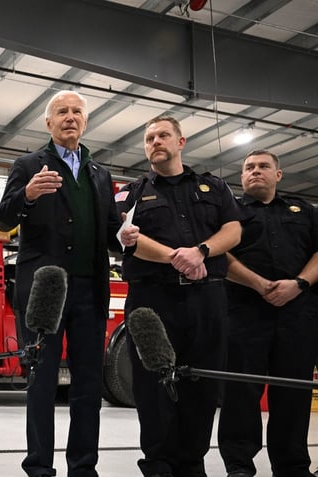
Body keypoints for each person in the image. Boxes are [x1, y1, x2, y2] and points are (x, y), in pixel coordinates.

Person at [0, 90, 131, 477]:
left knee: (89, 386)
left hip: (90, 290)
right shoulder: (27, 165)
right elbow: (4, 219)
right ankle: (39, 466)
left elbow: (107, 234)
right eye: (61, 112)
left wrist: (125, 236)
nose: (70, 117)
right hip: (44, 294)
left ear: (85, 121)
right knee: (41, 381)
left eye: (76, 112)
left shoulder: (100, 174)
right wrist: (29, 195)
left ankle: (83, 467)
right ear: (48, 122)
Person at [116, 116, 242, 477]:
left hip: (209, 300)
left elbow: (233, 230)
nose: (155, 141)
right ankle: (157, 464)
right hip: (152, 300)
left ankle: (192, 463)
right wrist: (179, 259)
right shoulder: (131, 192)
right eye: (149, 137)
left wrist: (201, 251)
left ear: (181, 142)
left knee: (202, 384)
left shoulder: (213, 187)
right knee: (152, 384)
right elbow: (130, 238)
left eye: (163, 135)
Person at [217, 150, 318, 477]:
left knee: (293, 392)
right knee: (241, 393)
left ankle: (292, 466)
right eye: (248, 168)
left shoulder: (303, 211)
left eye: (263, 166)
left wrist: (299, 284)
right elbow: (221, 254)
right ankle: (239, 466)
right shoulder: (228, 212)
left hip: (297, 315)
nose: (255, 171)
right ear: (242, 176)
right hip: (244, 314)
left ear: (278, 174)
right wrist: (259, 284)